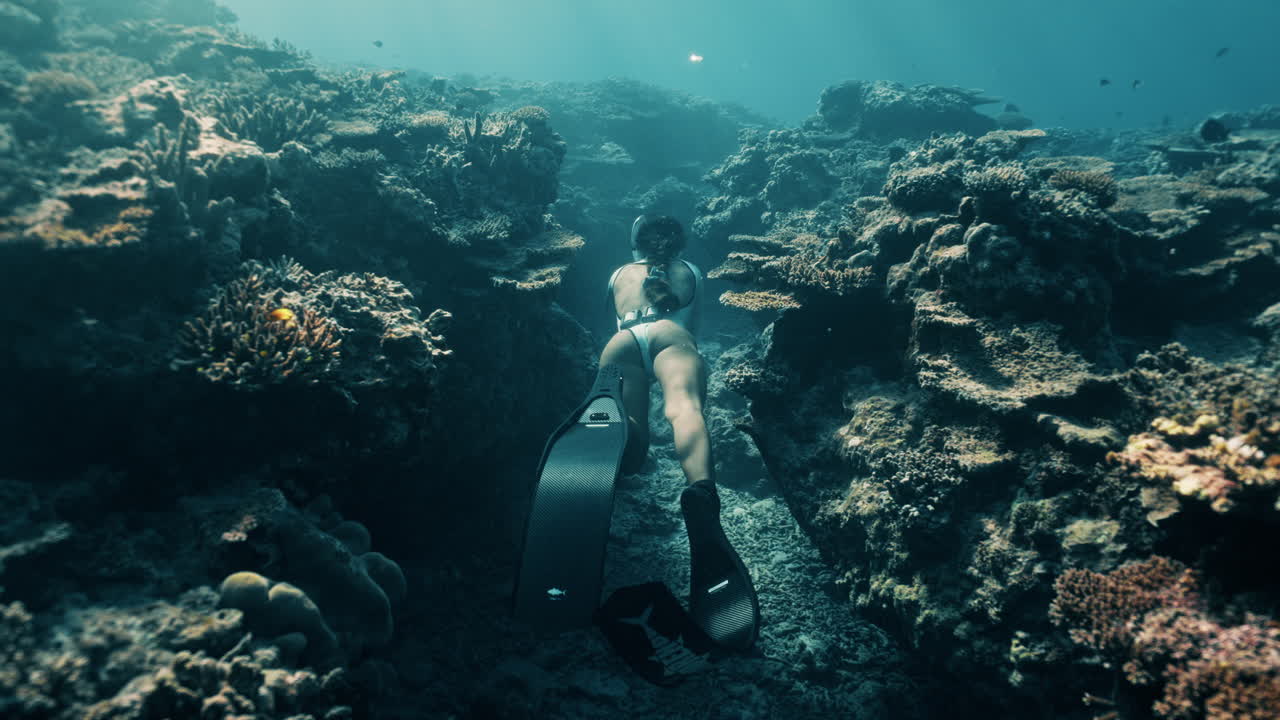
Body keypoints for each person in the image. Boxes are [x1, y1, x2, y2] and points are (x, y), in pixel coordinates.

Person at [599, 215, 760, 651]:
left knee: (632, 449)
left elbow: (616, 322)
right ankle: (701, 493)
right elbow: (695, 326)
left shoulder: (617, 274)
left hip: (622, 342)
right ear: (679, 243)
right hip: (673, 336)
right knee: (685, 409)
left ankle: (602, 434)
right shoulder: (690, 273)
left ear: (634, 243)